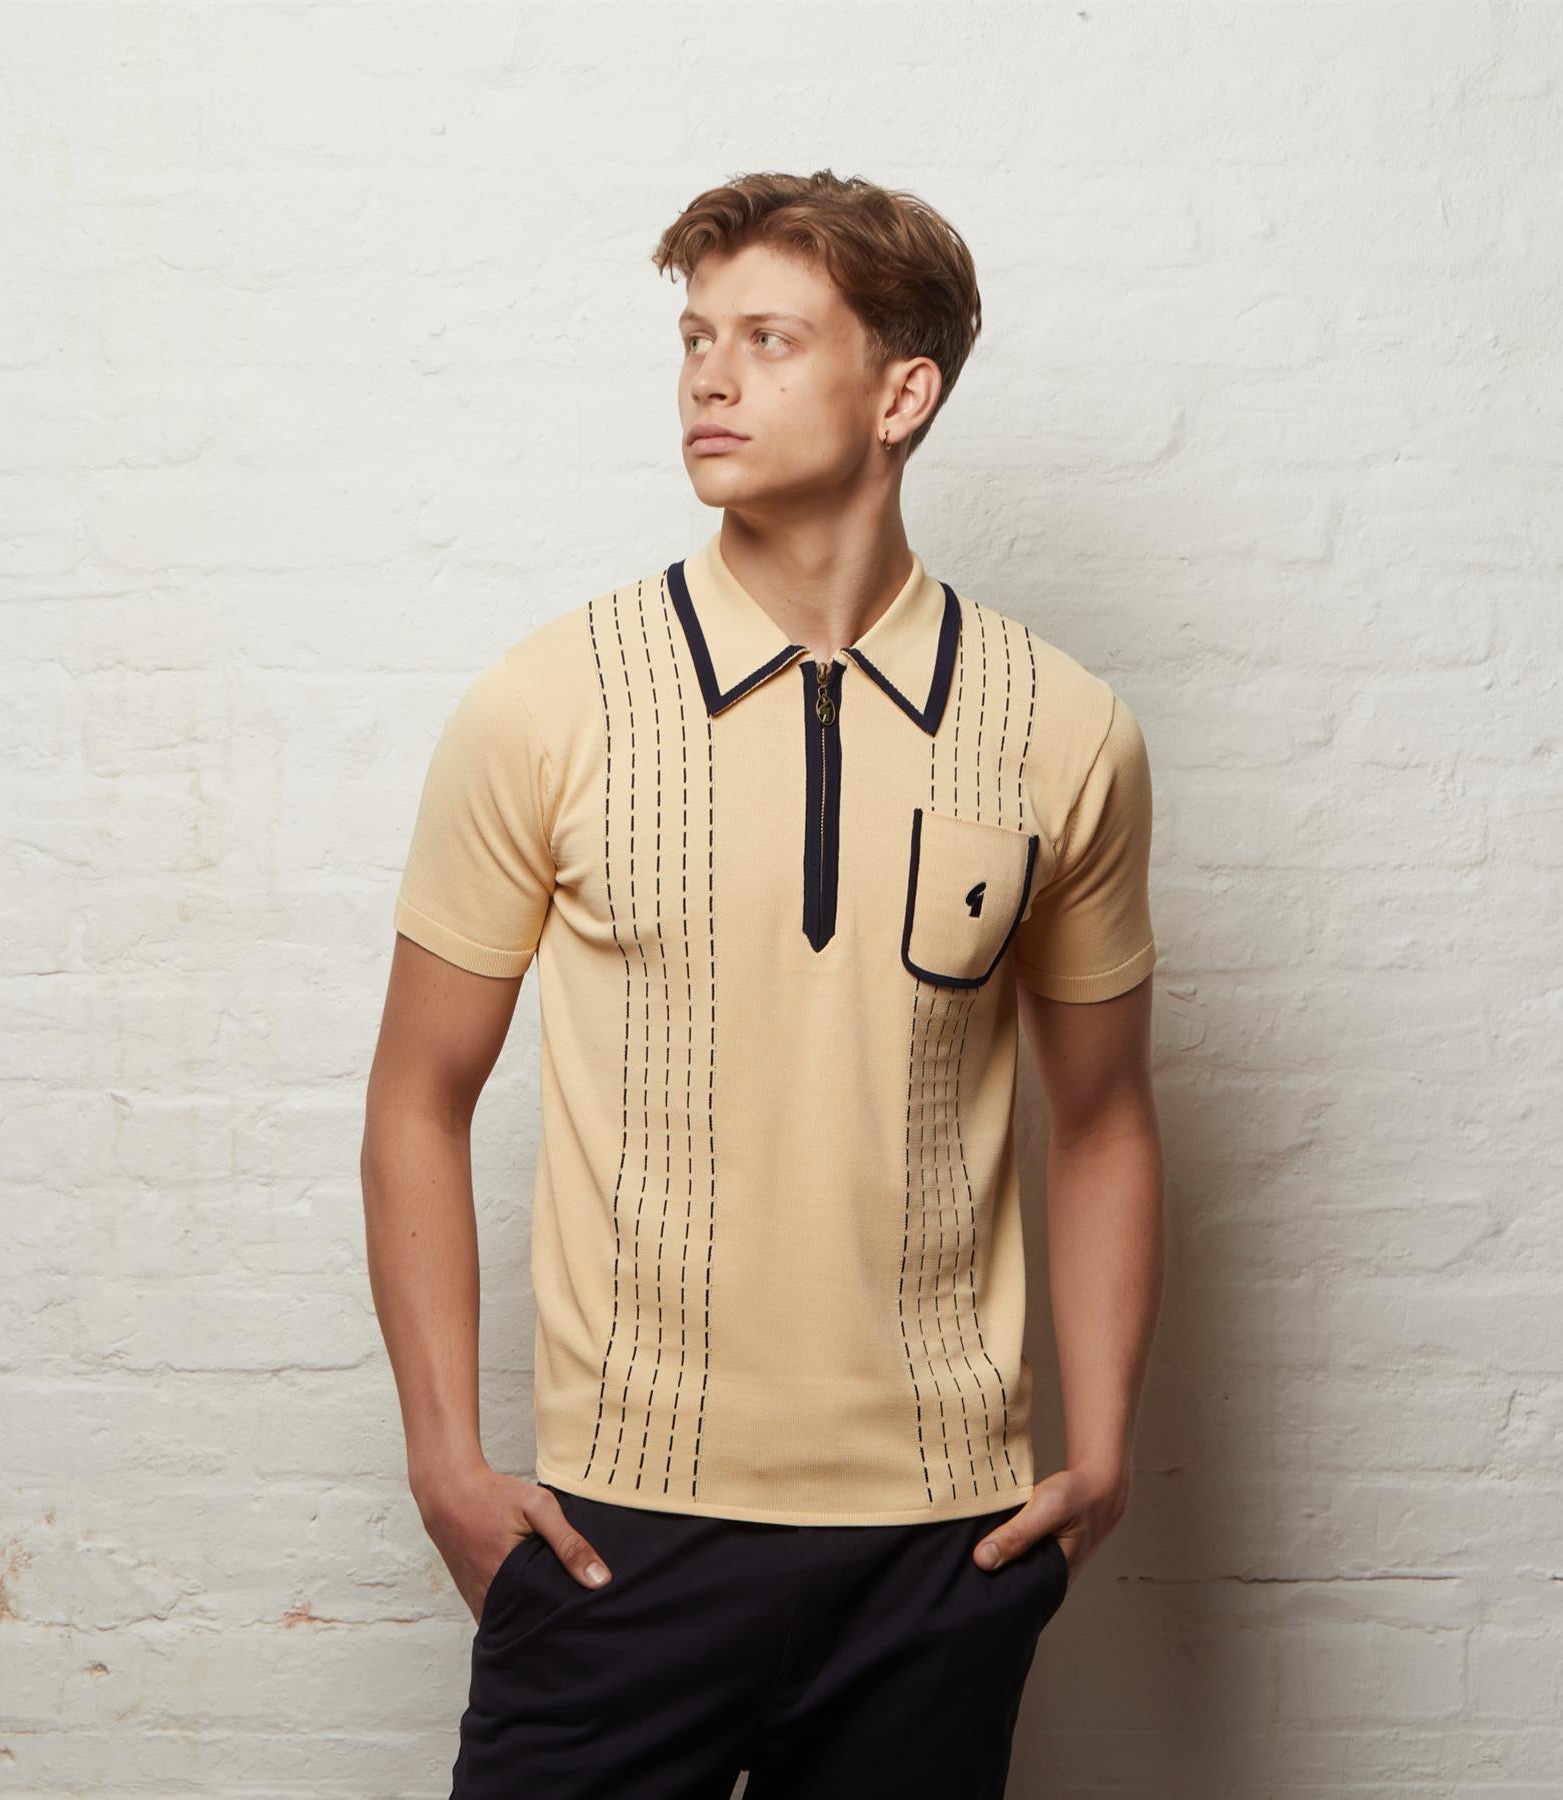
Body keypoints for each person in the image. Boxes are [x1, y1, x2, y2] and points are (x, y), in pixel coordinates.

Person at [360, 168, 1166, 1800]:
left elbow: (1104, 1120)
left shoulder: (1064, 729)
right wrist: (446, 1464)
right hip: (618, 1535)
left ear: (902, 394)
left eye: (769, 340)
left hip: (944, 1547)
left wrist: (1101, 1455)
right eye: (695, 338)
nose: (708, 379)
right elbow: (415, 1099)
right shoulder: (549, 703)